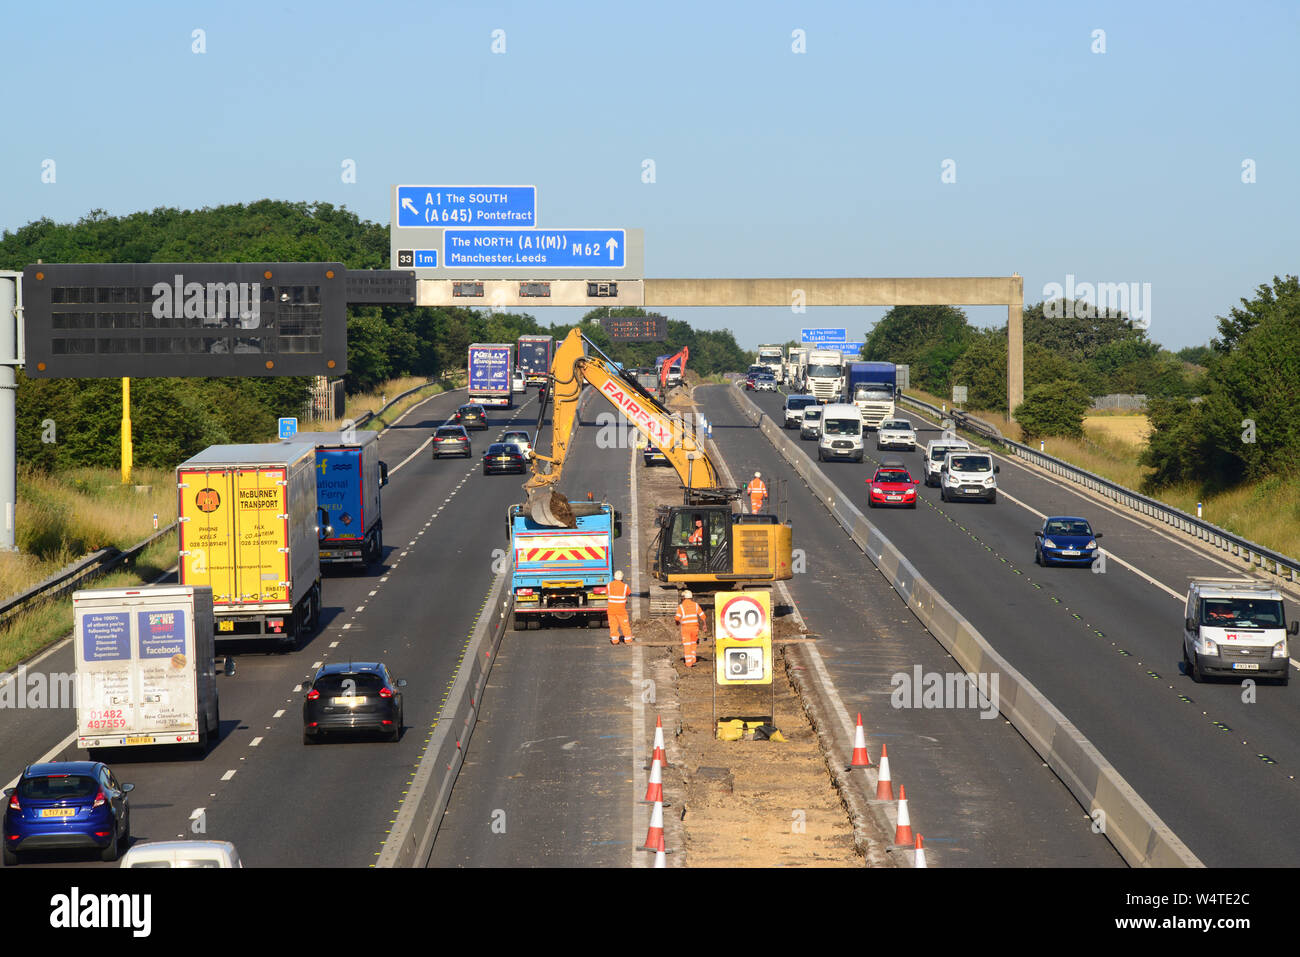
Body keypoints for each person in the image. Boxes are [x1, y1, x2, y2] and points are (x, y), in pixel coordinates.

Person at [675, 590, 707, 667]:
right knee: (693, 644)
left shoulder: (681, 607)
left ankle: (689, 663)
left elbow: (677, 618)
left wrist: (678, 623)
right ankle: (693, 660)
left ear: (684, 598)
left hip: (686, 628)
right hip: (695, 628)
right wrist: (705, 625)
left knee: (687, 645)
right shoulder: (695, 605)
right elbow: (703, 616)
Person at [607, 570, 633, 645]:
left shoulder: (609, 585)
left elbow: (607, 593)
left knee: (613, 625)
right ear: (622, 578)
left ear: (614, 577)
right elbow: (629, 593)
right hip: (621, 610)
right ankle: (628, 639)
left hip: (611, 610)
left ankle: (615, 640)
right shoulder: (625, 586)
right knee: (624, 625)